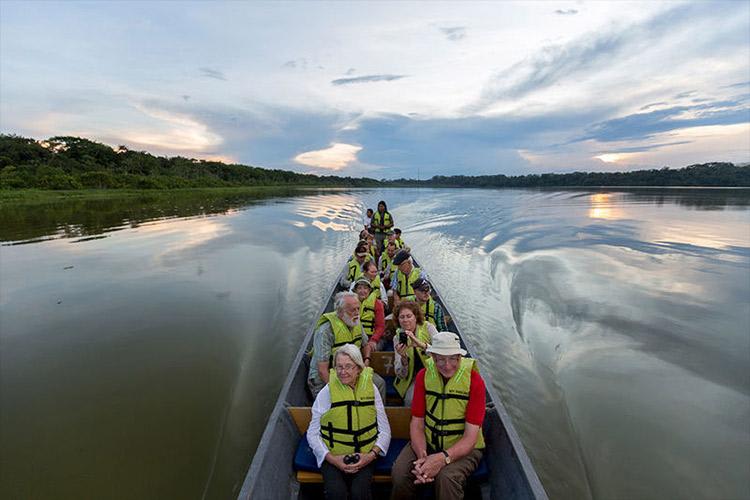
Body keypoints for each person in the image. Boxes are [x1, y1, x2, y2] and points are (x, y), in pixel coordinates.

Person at [390, 332, 486, 500]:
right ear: (432, 357)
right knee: (399, 473)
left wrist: (442, 459)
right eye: (440, 359)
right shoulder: (423, 377)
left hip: (464, 447)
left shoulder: (475, 381)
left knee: (447, 478)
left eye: (453, 359)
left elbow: (470, 437)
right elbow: (417, 423)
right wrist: (423, 458)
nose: (447, 365)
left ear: (459, 357)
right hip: (428, 442)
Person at [308, 344, 391, 500]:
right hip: (333, 455)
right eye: (339, 367)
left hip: (365, 454)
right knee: (336, 494)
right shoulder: (327, 392)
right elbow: (312, 434)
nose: (343, 372)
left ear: (359, 369)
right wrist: (332, 459)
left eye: (348, 367)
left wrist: (371, 455)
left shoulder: (371, 389)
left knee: (360, 493)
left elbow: (385, 430)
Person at [308, 292, 386, 401]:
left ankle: (376, 415)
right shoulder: (325, 331)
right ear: (340, 312)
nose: (357, 313)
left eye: (358, 309)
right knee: (339, 403)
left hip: (352, 371)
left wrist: (366, 361)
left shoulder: (356, 321)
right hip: (327, 376)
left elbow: (366, 345)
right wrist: (343, 389)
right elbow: (322, 371)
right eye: (352, 310)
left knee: (379, 383)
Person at [392, 300, 437, 406]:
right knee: (410, 400)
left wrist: (422, 345)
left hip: (434, 374)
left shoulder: (428, 328)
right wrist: (404, 360)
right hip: (414, 378)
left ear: (416, 317)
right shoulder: (397, 338)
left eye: (409, 316)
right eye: (402, 317)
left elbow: (442, 353)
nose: (405, 320)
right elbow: (401, 375)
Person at [352, 278, 386, 352]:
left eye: (365, 288)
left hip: (373, 337)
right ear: (355, 290)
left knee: (371, 349)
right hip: (356, 337)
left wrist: (373, 340)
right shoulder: (351, 304)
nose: (362, 291)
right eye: (359, 288)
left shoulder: (377, 303)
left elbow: (380, 326)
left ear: (369, 290)